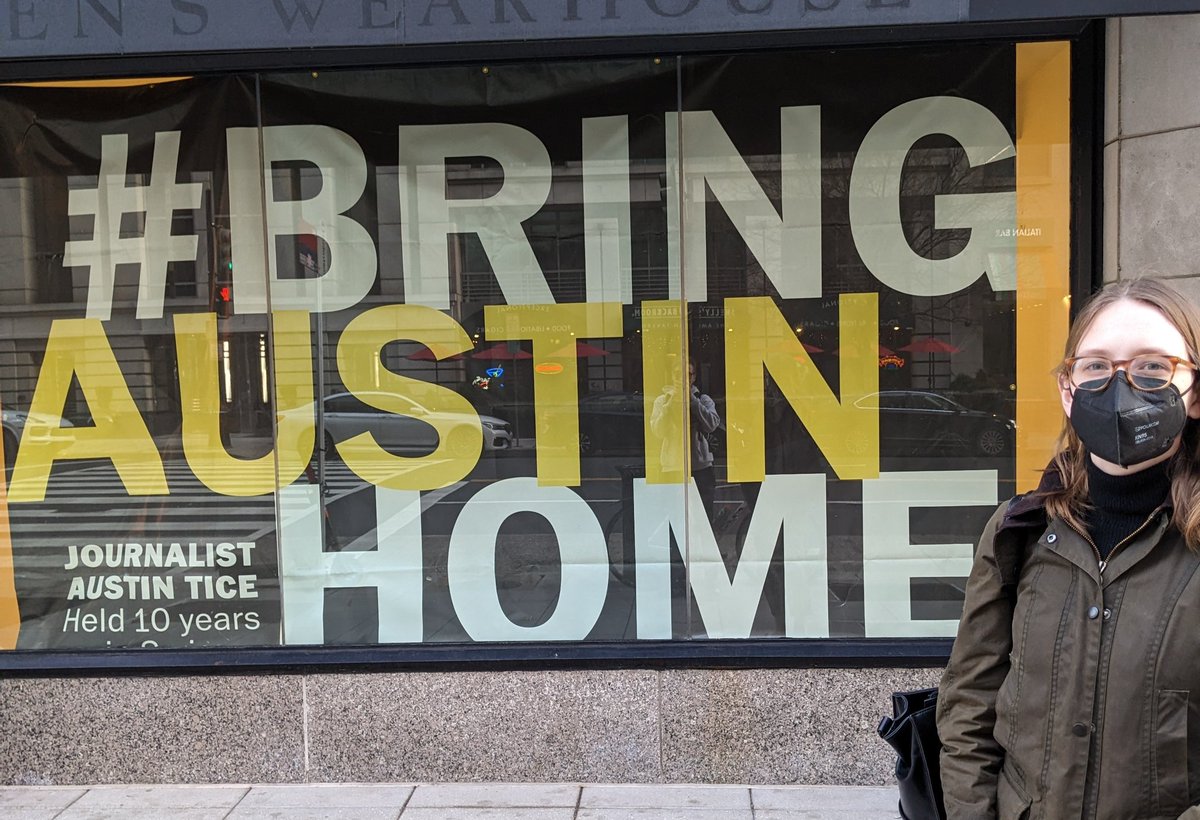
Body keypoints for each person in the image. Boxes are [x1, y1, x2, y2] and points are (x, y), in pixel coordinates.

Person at [937, 278, 1200, 820]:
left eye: (1153, 367)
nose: (1121, 385)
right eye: (1096, 366)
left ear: (1194, 392)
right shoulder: (1021, 530)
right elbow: (969, 705)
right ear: (1068, 389)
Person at [650, 358, 722, 521]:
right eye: (678, 374)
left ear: (694, 377)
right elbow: (658, 431)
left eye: (688, 374)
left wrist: (691, 400)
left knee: (703, 518)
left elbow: (712, 424)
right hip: (672, 467)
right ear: (672, 376)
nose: (683, 378)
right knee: (674, 518)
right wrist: (671, 403)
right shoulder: (662, 401)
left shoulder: (703, 399)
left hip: (701, 467)